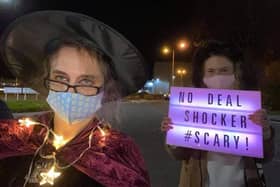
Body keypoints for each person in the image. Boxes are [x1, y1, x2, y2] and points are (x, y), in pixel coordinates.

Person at [0, 10, 150, 187]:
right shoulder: (14, 138)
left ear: (105, 89)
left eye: (86, 81)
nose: (71, 92)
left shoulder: (118, 156)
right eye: (61, 78)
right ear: (47, 79)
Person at [161, 40, 274, 187]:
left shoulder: (249, 107)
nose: (218, 76)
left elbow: (265, 157)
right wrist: (173, 133)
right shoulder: (191, 107)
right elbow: (179, 155)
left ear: (235, 73)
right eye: (211, 71)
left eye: (224, 70)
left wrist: (264, 131)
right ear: (203, 76)